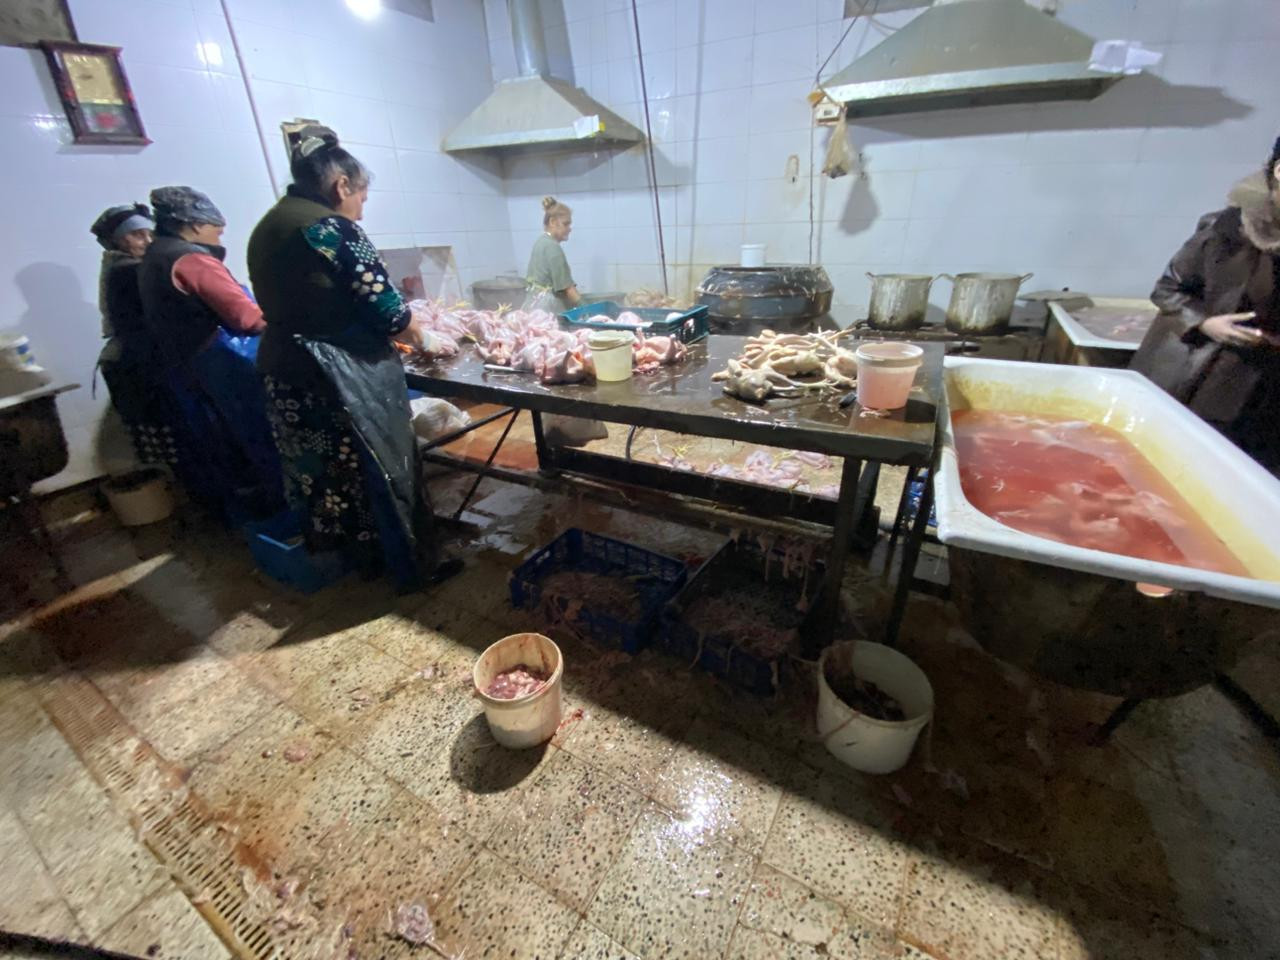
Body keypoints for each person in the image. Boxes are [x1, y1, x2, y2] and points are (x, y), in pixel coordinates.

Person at [246, 127, 460, 590]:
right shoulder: (331, 228)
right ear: (341, 185)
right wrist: (423, 336)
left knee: (329, 479)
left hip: (286, 369)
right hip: (341, 376)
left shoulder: (269, 226)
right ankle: (412, 569)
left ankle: (363, 563)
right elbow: (388, 311)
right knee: (384, 468)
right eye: (362, 195)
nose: (362, 208)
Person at [1133, 136, 1280, 476]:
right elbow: (1167, 289)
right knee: (1156, 468)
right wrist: (1206, 323)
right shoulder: (1225, 227)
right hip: (1191, 374)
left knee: (1228, 478)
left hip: (1259, 393)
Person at [138, 185, 284, 517]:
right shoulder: (191, 259)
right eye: (215, 229)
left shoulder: (154, 255)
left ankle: (249, 512)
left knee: (224, 440)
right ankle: (285, 510)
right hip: (219, 363)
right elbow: (247, 318)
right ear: (193, 225)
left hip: (184, 364)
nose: (219, 236)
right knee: (260, 434)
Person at [91, 203, 183, 468]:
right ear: (117, 241)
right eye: (137, 235)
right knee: (174, 439)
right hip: (138, 365)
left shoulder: (118, 266)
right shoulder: (128, 270)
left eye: (149, 233)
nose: (148, 240)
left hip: (135, 359)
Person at [526, 196, 581, 311]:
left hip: (532, 306)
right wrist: (587, 308)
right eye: (566, 224)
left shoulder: (541, 242)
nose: (569, 229)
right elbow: (568, 289)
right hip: (546, 309)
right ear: (552, 222)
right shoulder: (552, 247)